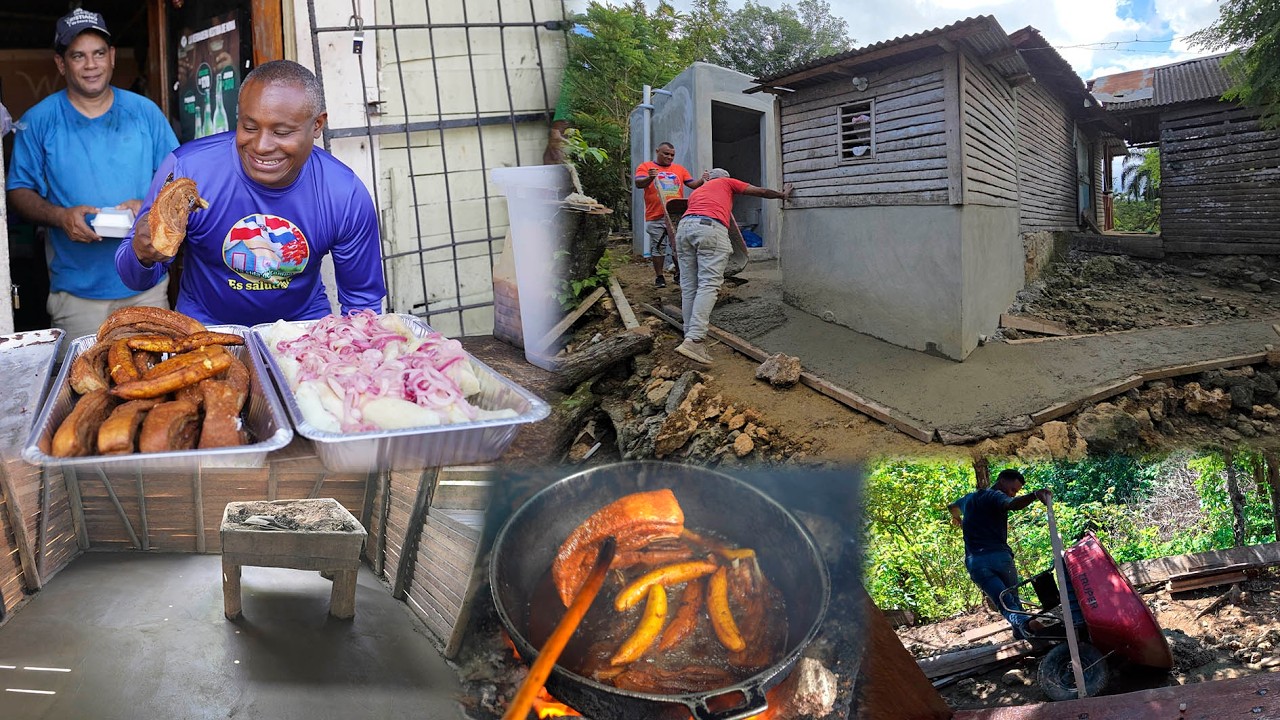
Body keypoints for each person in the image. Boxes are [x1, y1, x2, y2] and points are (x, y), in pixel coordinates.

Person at [116, 60, 385, 327]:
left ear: (317, 125)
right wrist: (142, 255)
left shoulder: (343, 193)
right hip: (205, 329)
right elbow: (134, 279)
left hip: (302, 329)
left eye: (281, 132)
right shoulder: (188, 171)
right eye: (249, 127)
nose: (261, 146)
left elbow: (362, 304)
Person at [6, 9, 178, 343]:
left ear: (112, 57)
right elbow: (18, 191)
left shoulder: (145, 113)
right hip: (77, 294)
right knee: (87, 389)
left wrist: (148, 206)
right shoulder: (39, 121)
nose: (91, 65)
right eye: (78, 56)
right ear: (61, 63)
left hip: (146, 283)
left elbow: (179, 182)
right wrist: (61, 216)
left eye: (99, 53)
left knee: (157, 382)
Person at [673, 169, 791, 365]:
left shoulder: (697, 192)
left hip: (684, 229)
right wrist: (782, 195)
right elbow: (760, 192)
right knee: (708, 285)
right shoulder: (726, 183)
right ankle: (694, 340)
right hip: (709, 229)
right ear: (725, 178)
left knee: (689, 286)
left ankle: (689, 335)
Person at [957, 469, 1052, 639]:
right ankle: (1026, 626)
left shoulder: (968, 499)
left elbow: (952, 507)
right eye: (1013, 489)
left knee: (1006, 602)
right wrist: (1034, 495)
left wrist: (957, 520)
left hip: (976, 563)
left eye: (1015, 492)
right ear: (1001, 480)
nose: (1012, 493)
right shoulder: (995, 496)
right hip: (999, 559)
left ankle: (1021, 632)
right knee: (1011, 599)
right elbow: (1013, 504)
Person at [634, 142, 706, 288]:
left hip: (675, 214)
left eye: (672, 155)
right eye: (666, 153)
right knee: (658, 246)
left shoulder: (679, 169)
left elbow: (692, 184)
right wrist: (650, 178)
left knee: (678, 245)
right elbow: (638, 184)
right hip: (656, 214)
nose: (669, 157)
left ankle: (679, 274)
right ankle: (659, 277)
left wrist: (703, 180)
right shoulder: (646, 167)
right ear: (657, 151)